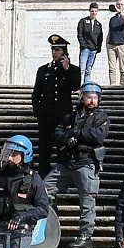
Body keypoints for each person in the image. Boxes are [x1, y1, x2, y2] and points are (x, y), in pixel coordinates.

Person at [46, 80, 109, 248]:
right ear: (82, 98)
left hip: (86, 162)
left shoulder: (101, 117)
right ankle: (51, 226)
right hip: (67, 162)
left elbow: (98, 136)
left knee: (87, 201)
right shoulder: (70, 117)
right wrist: (67, 138)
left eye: (95, 97)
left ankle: (85, 235)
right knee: (44, 189)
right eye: (89, 97)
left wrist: (76, 133)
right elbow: (56, 135)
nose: (92, 100)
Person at [0, 134, 50, 241]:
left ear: (25, 156)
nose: (9, 158)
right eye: (8, 153)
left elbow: (43, 209)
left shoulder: (34, 180)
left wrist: (22, 217)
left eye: (14, 154)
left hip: (21, 234)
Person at [31, 35, 82, 177]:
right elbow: (36, 93)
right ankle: (43, 178)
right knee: (44, 150)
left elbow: (75, 86)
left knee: (62, 149)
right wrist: (38, 111)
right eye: (53, 49)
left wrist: (66, 69)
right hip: (46, 117)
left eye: (58, 50)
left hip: (63, 117)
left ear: (64, 52)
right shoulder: (43, 70)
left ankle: (61, 178)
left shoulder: (73, 69)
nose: (54, 53)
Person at [77, 2, 103, 81]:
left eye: (95, 11)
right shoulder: (83, 21)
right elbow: (80, 34)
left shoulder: (98, 24)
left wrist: (98, 48)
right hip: (85, 49)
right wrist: (83, 45)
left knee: (88, 69)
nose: (94, 13)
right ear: (89, 11)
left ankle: (86, 85)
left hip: (93, 50)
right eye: (92, 11)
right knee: (82, 69)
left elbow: (100, 37)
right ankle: (79, 85)